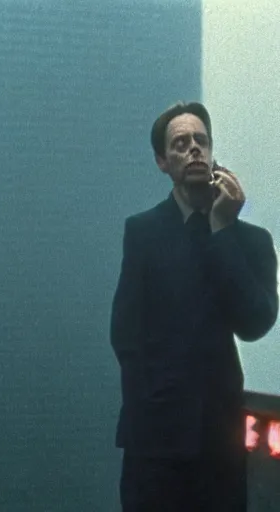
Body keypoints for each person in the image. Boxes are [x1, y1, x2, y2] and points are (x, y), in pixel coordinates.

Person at [111, 101, 279, 511]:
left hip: (218, 442)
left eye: (201, 141)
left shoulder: (251, 240)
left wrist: (222, 229)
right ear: (162, 161)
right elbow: (124, 335)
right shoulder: (143, 232)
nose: (193, 150)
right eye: (181, 143)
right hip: (154, 447)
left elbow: (255, 322)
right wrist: (152, 413)